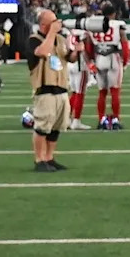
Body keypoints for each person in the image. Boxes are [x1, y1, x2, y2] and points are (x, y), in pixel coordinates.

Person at [28, 9, 80, 172]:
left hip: (61, 88)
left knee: (57, 127)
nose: (57, 24)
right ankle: (39, 159)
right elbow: (43, 52)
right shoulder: (34, 40)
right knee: (43, 126)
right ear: (43, 24)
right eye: (52, 22)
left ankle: (49, 158)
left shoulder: (60, 39)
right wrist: (51, 33)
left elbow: (68, 58)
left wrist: (77, 50)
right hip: (45, 89)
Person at [86, 4, 129, 130]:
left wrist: (91, 60)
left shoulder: (94, 25)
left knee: (102, 92)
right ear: (114, 14)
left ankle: (101, 120)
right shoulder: (117, 25)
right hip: (113, 58)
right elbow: (124, 43)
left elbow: (89, 45)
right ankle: (115, 119)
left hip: (99, 58)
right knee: (115, 91)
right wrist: (125, 60)